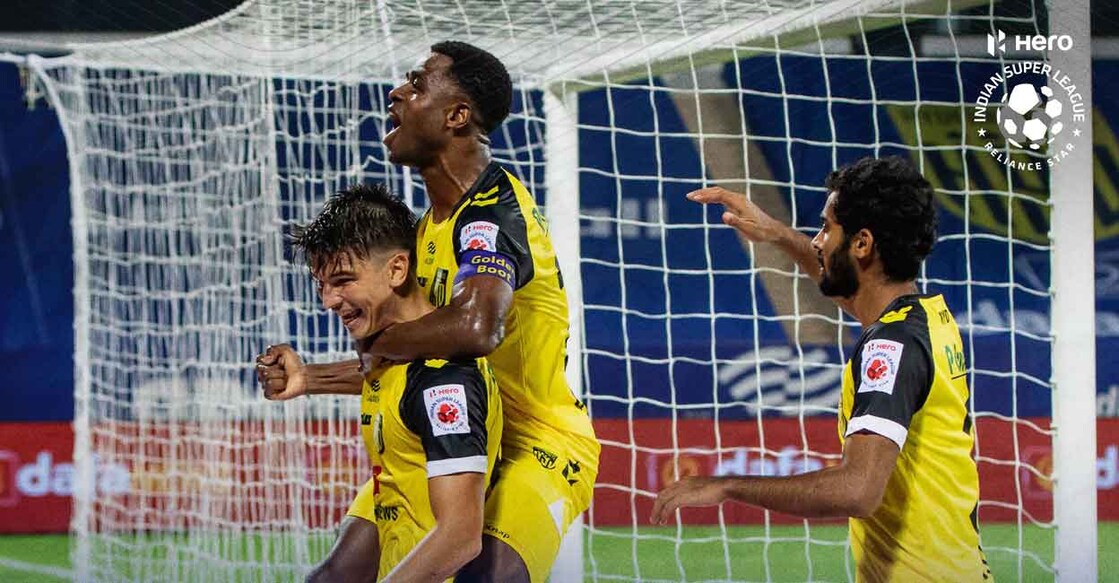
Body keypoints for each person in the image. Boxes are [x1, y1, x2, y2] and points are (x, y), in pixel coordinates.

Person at [258, 41, 599, 583]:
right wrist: (312, 378)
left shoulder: (491, 213)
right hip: (451, 431)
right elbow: (420, 357)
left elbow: (475, 328)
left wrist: (374, 346)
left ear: (457, 115)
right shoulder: (424, 232)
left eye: (416, 85)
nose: (396, 93)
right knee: (332, 578)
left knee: (486, 575)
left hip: (534, 444)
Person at [653, 156, 992, 582]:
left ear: (863, 244)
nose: (817, 240)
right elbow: (849, 289)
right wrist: (776, 234)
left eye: (827, 228)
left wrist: (727, 486)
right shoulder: (930, 318)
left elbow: (858, 490)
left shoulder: (890, 345)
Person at [258, 183, 502, 582]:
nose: (328, 301)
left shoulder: (443, 381)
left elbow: (460, 535)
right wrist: (308, 377)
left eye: (342, 280)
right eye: (322, 285)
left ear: (397, 270)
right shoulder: (391, 359)